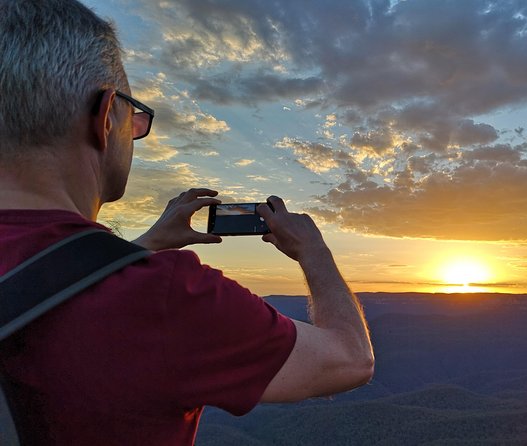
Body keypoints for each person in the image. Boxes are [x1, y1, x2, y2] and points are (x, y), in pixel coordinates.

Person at [0, 0, 374, 444]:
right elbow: (349, 360)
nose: (135, 135)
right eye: (135, 119)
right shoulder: (165, 297)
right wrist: (315, 252)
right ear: (104, 118)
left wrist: (142, 245)